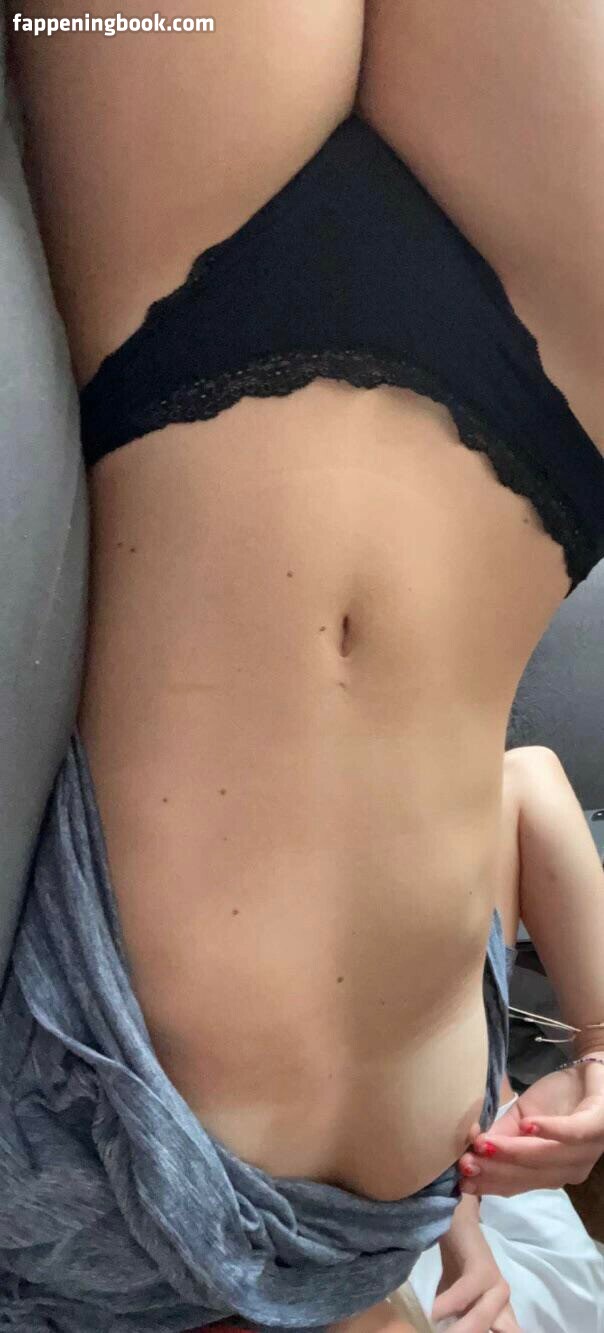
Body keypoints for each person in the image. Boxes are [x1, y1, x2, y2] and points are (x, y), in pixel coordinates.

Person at [2, 4, 604, 1331]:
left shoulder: (61, 1285)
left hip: (189, 300)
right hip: (555, 412)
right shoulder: (412, 1221)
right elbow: (527, 786)